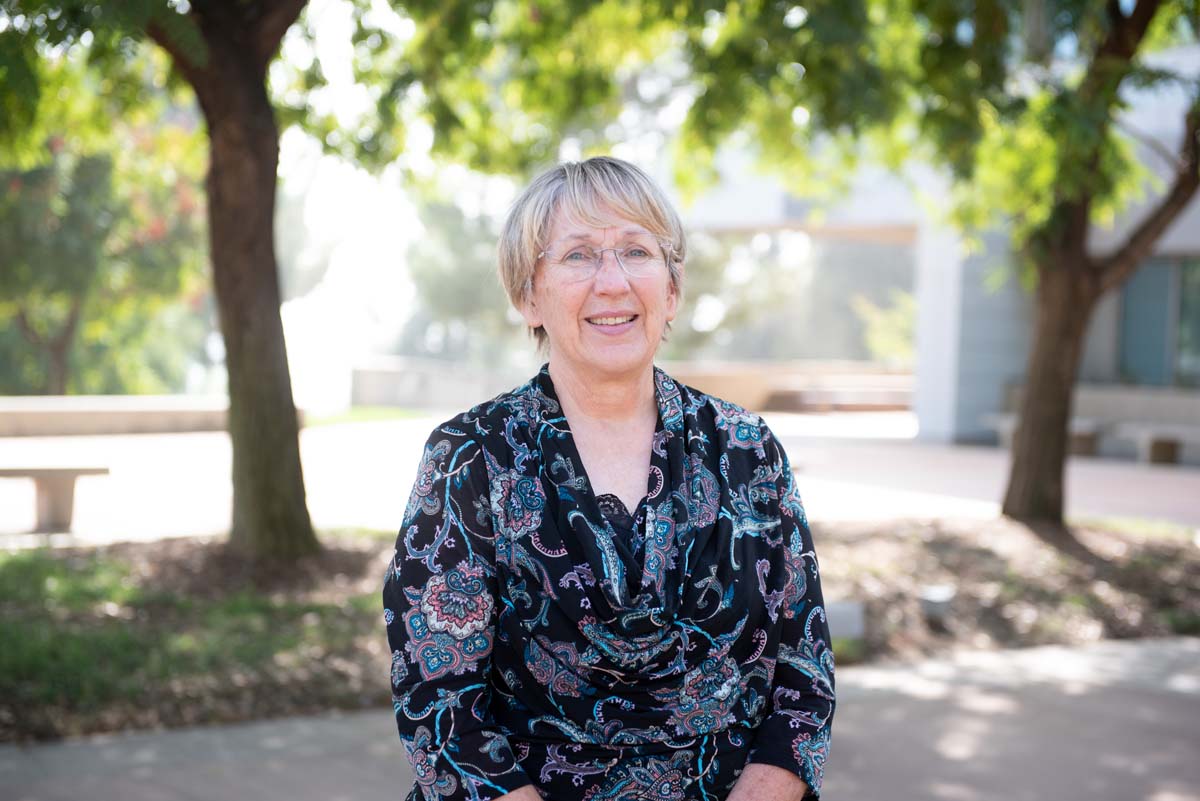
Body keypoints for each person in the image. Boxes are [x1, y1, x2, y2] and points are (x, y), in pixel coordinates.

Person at [382, 156, 835, 801]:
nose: (614, 282)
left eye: (636, 251)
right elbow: (440, 700)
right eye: (578, 256)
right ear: (526, 294)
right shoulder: (469, 458)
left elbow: (803, 677)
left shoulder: (748, 449)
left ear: (671, 290)